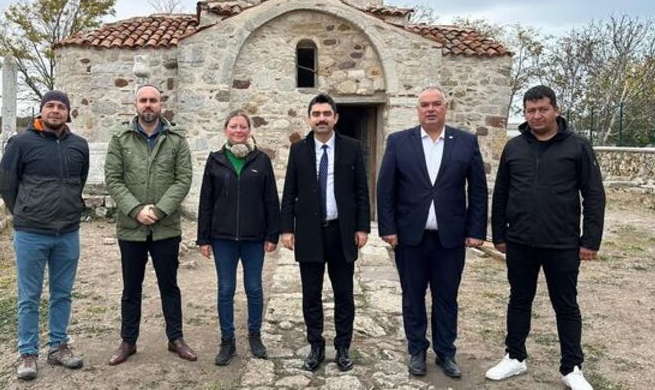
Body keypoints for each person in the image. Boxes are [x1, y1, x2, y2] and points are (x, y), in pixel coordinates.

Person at [485, 85, 605, 390]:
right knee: (519, 299)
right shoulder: (514, 148)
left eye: (542, 109)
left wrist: (590, 241)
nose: (536, 115)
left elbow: (593, 195)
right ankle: (514, 357)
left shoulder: (578, 147)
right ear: (525, 113)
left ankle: (572, 367)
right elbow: (500, 195)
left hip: (562, 243)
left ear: (556, 110)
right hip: (520, 242)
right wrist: (499, 235)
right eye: (530, 110)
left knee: (565, 304)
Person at [376, 86, 487, 379]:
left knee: (446, 297)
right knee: (412, 296)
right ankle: (416, 350)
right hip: (410, 237)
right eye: (424, 104)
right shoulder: (399, 142)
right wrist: (387, 228)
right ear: (418, 109)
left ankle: (446, 352)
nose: (430, 109)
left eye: (436, 103)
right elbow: (385, 189)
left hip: (450, 238)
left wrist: (476, 230)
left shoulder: (465, 142)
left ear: (445, 107)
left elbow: (477, 190)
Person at [0, 89, 89, 381]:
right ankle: (28, 353)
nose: (55, 111)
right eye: (50, 105)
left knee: (62, 293)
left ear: (68, 113)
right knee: (29, 296)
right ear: (41, 110)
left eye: (60, 107)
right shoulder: (21, 143)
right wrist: (24, 212)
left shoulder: (79, 146)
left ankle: (58, 346)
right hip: (31, 233)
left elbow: (79, 182)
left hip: (67, 233)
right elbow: (6, 185)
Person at [104, 84, 196, 365]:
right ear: (135, 104)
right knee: (131, 287)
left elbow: (183, 179)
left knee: (170, 285)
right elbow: (113, 178)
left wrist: (158, 210)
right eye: (143, 100)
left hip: (165, 228)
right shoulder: (120, 138)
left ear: (161, 104)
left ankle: (176, 338)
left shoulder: (177, 139)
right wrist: (135, 210)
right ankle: (128, 341)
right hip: (131, 228)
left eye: (153, 100)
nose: (148, 105)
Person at [280, 93, 370, 372]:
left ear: (335, 118)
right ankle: (316, 345)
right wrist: (286, 229)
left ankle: (343, 346)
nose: (321, 119)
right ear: (309, 118)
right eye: (316, 114)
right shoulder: (298, 150)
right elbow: (289, 192)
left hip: (341, 232)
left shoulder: (352, 148)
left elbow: (360, 191)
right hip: (309, 233)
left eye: (326, 114)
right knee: (311, 294)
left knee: (344, 294)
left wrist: (362, 227)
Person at [196, 110, 281, 366]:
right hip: (222, 239)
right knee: (226, 289)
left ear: (249, 130)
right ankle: (227, 341)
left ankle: (255, 336)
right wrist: (204, 239)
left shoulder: (261, 160)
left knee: (254, 289)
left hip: (254, 238)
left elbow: (270, 200)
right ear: (226, 131)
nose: (238, 131)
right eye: (234, 127)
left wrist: (272, 234)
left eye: (243, 127)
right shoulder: (215, 160)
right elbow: (205, 202)